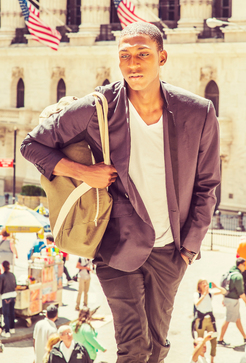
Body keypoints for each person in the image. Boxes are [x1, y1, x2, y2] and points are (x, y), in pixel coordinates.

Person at [20, 21, 220, 363]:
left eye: (143, 54)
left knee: (158, 347)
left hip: (170, 252)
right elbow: (32, 144)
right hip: (115, 246)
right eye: (125, 55)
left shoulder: (197, 112)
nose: (133, 63)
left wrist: (188, 249)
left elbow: (207, 185)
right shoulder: (97, 107)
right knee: (134, 348)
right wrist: (84, 172)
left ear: (162, 57)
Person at [217, 258, 246, 347]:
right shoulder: (238, 277)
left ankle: (245, 337)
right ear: (240, 265)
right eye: (244, 265)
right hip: (233, 301)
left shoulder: (230, 272)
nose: (245, 267)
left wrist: (223, 297)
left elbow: (224, 287)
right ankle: (220, 339)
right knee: (227, 319)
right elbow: (241, 293)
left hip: (228, 298)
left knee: (237, 320)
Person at [192, 279, 226, 363]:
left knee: (213, 339)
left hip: (210, 319)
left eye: (206, 283)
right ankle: (199, 358)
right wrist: (203, 295)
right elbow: (196, 303)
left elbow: (223, 291)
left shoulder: (210, 293)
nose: (205, 284)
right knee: (200, 341)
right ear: (199, 285)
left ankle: (212, 360)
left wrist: (216, 286)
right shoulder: (197, 294)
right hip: (200, 320)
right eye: (202, 283)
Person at [0, 260, 17, 337]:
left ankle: (7, 331)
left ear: (3, 267)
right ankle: (12, 328)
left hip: (5, 296)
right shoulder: (12, 274)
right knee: (12, 312)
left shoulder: (2, 277)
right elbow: (15, 285)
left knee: (6, 314)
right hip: (13, 295)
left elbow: (0, 288)